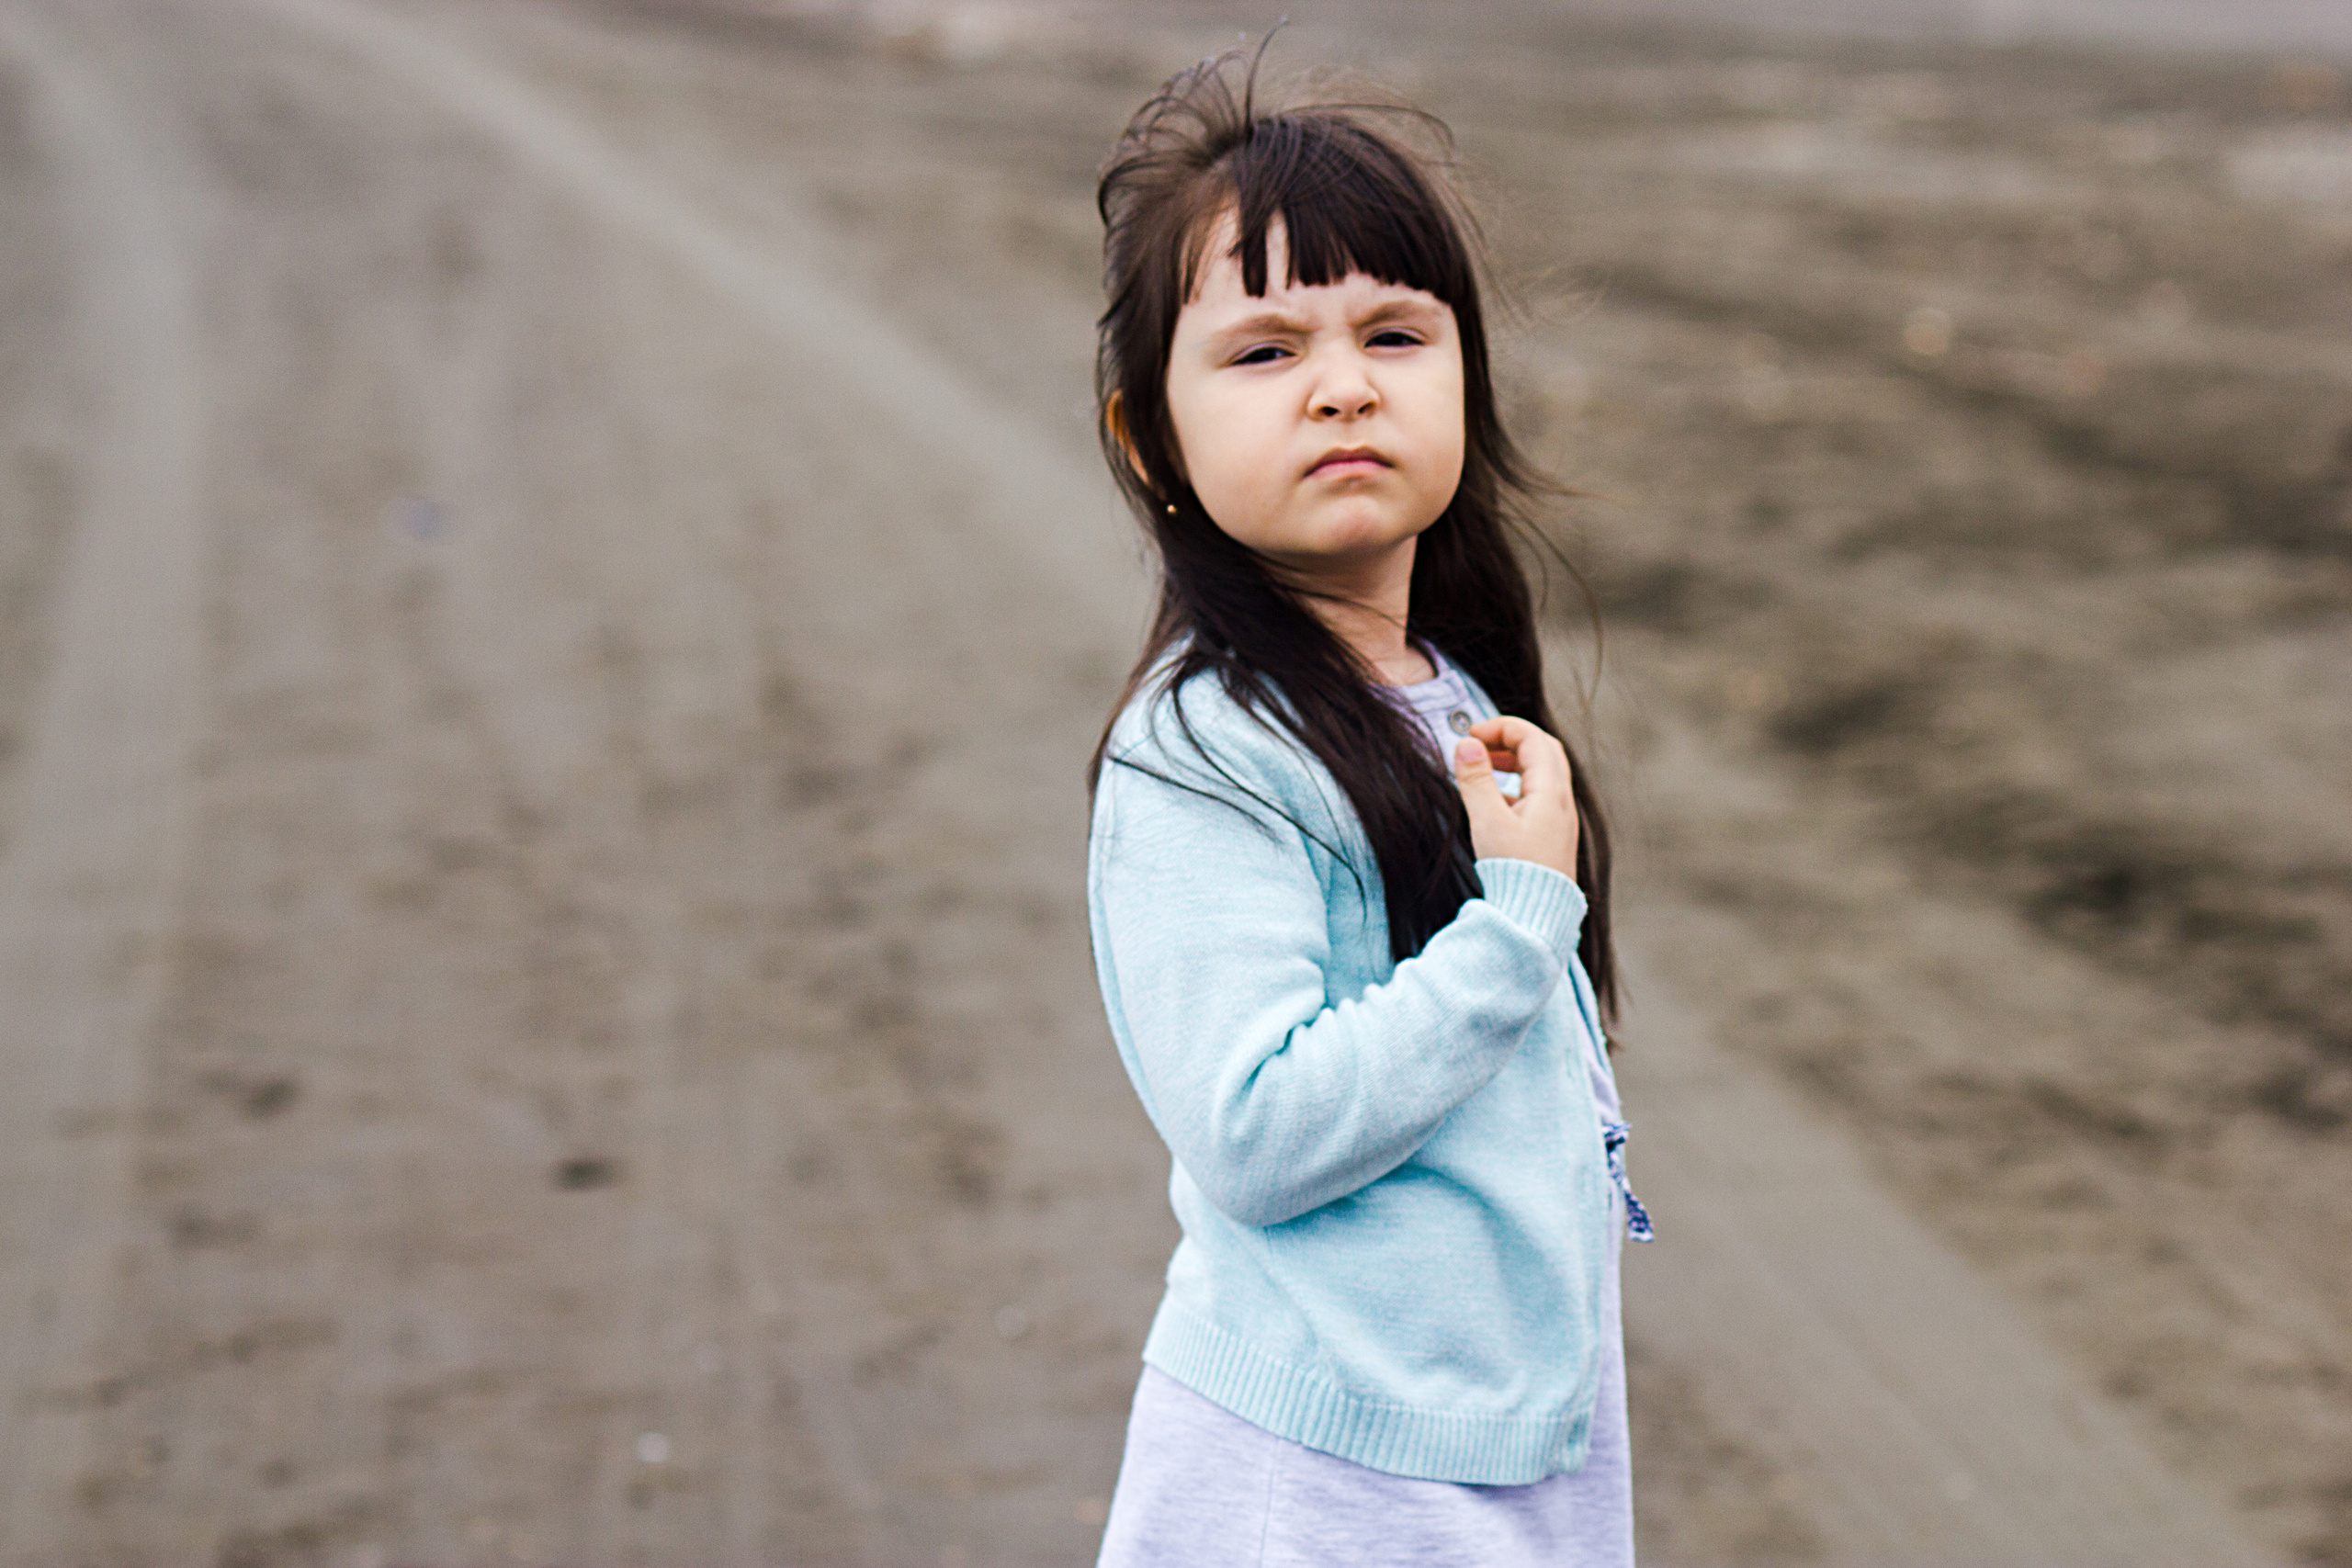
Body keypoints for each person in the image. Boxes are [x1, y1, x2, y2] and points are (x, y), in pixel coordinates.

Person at [1083, 46, 1650, 1568]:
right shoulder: (1207, 749)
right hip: (1327, 1472)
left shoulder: (1448, 687)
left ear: (1462, 376)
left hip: (1493, 1430)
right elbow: (1255, 1128)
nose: (1343, 383)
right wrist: (1515, 926)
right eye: (1264, 353)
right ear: (1157, 440)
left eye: (1394, 333)